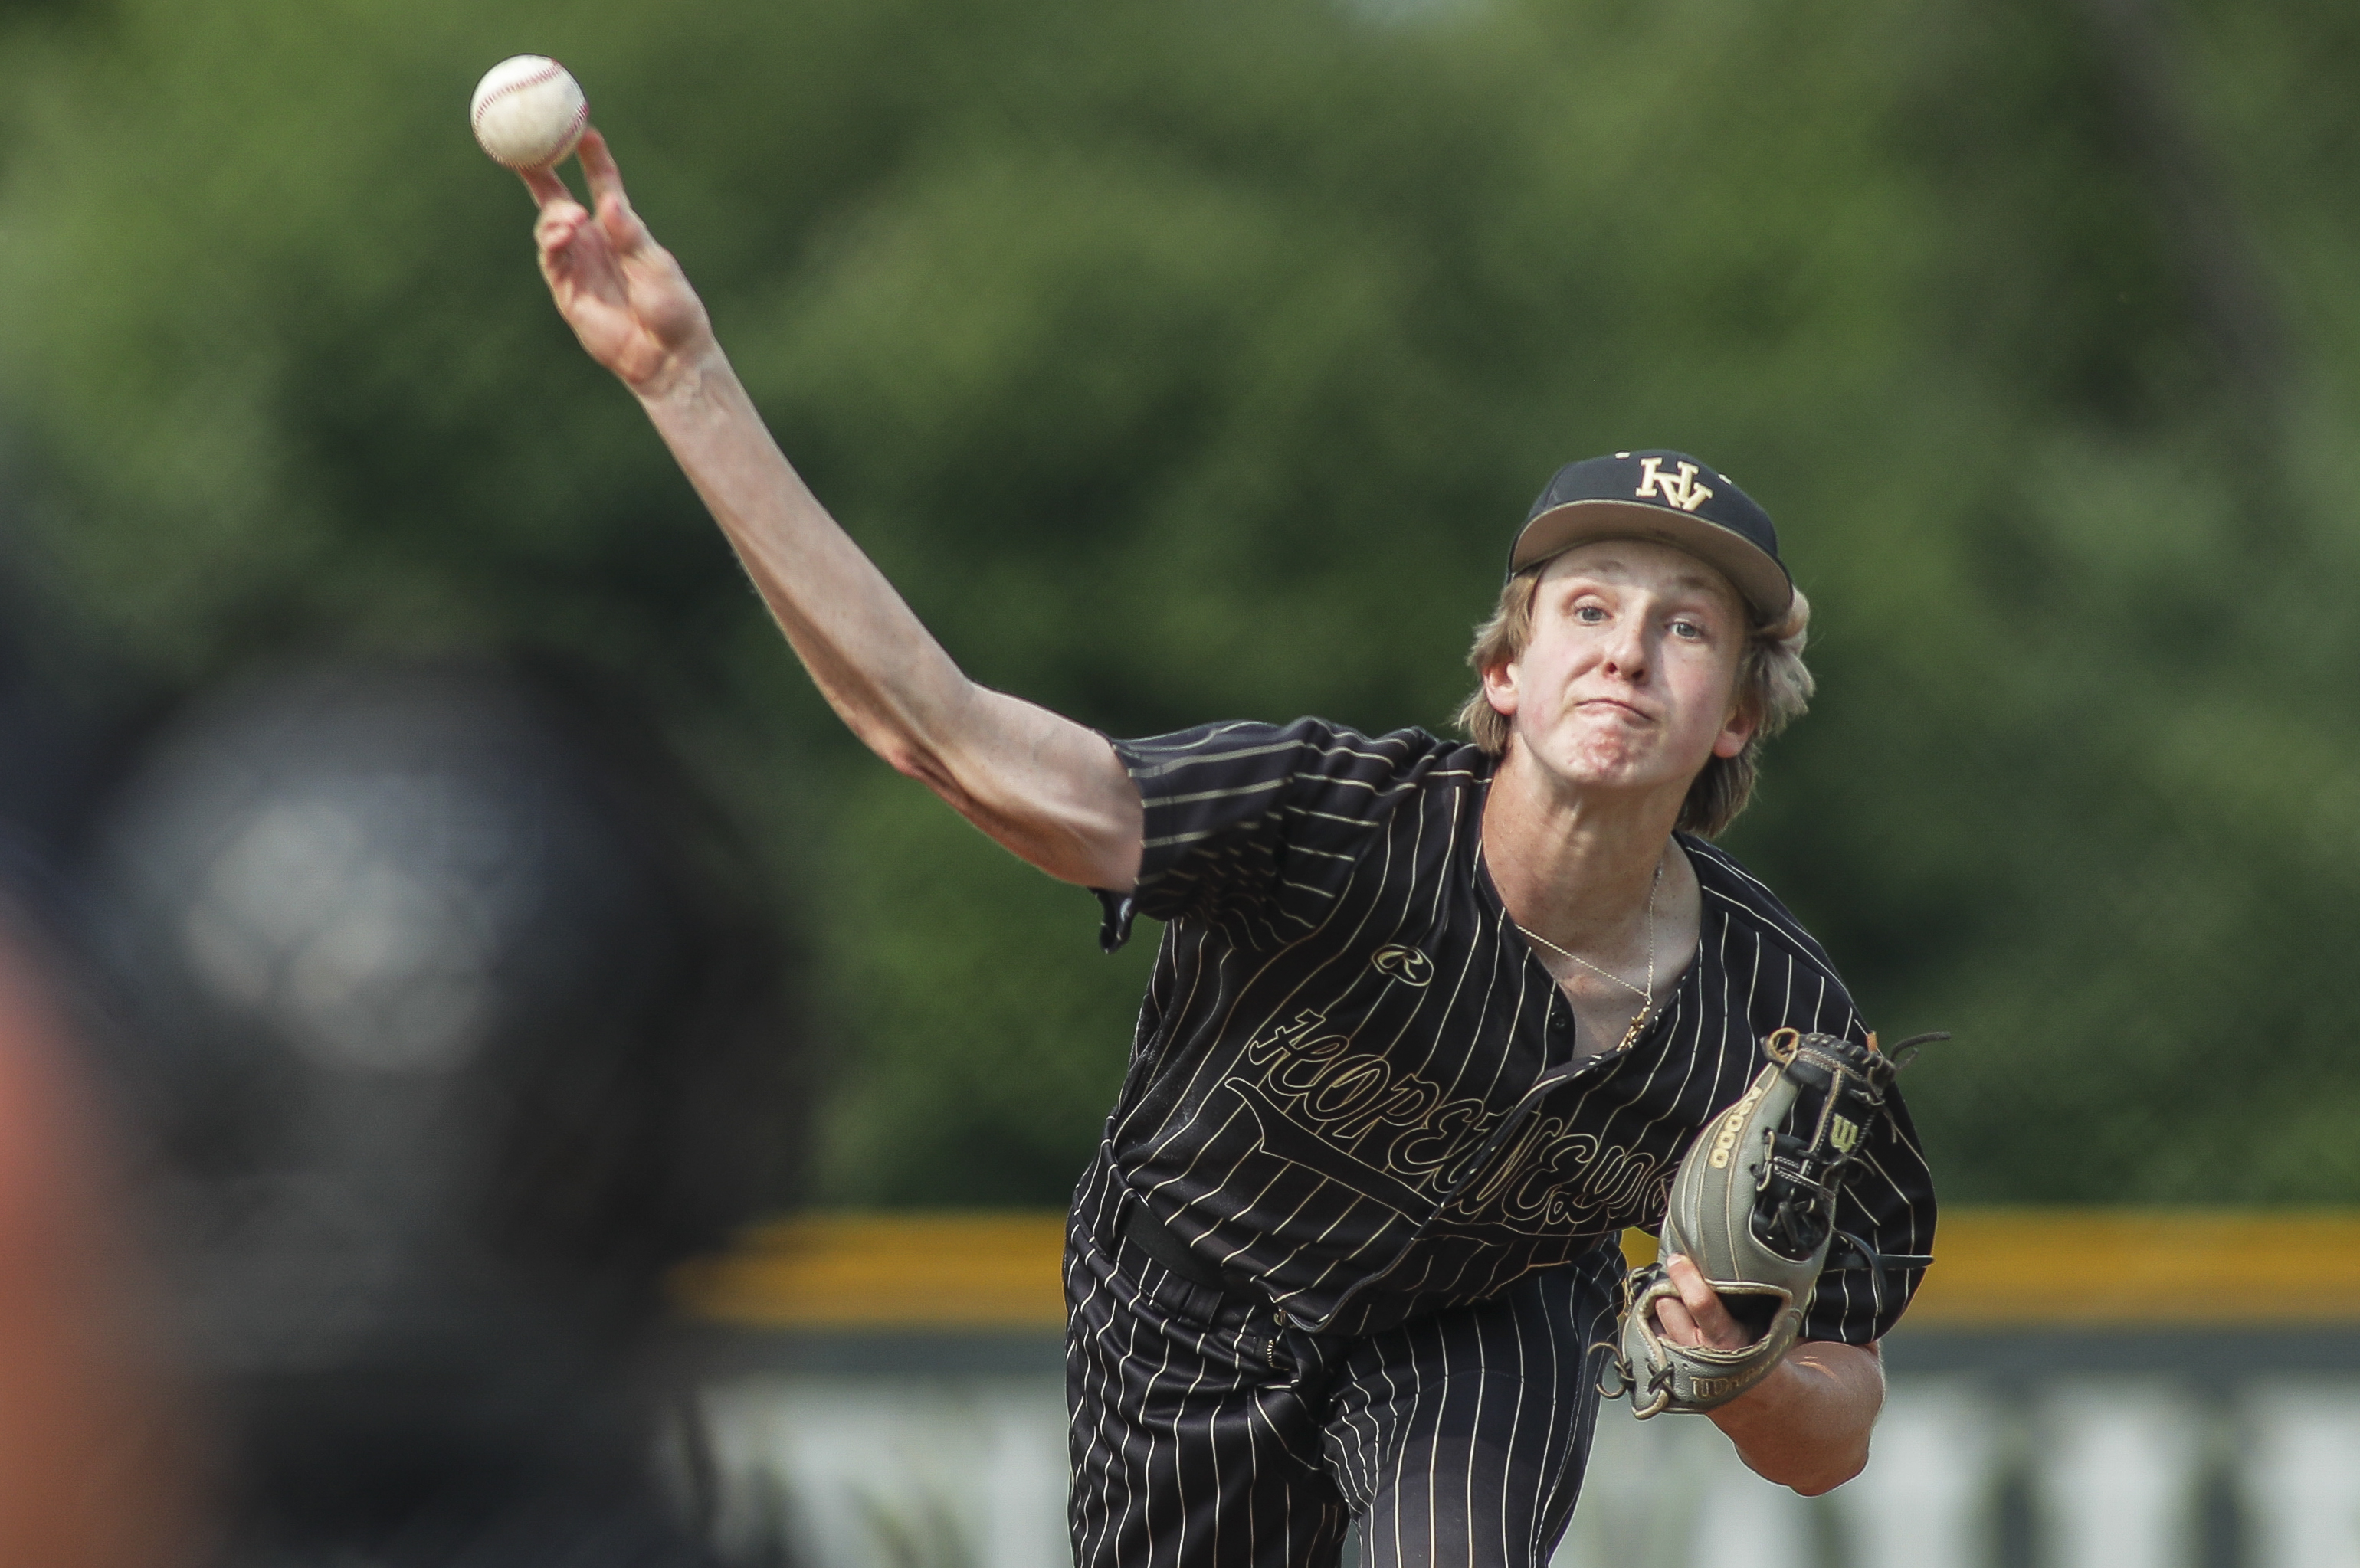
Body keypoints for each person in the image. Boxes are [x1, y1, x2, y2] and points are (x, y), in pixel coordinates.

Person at [518, 131, 1935, 1568]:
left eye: (1688, 628)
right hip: (1187, 1304)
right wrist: (681, 378)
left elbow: (1842, 1426)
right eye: (1587, 608)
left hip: (1476, 1334)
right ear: (1505, 672)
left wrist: (1752, 1375)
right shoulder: (1328, 823)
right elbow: (940, 735)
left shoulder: (1779, 1023)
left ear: (1741, 716)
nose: (1627, 652)